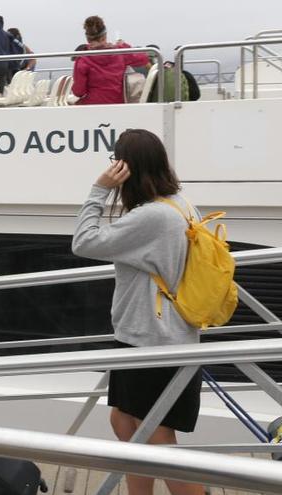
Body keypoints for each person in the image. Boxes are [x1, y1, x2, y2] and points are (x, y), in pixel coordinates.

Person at [71, 129, 204, 495]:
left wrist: (99, 190)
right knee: (125, 423)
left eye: (115, 161)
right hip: (156, 336)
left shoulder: (153, 217)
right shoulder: (180, 203)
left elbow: (83, 242)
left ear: (126, 167)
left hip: (153, 341)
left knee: (157, 436)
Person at [71, 16, 150, 105]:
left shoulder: (83, 59)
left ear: (87, 39)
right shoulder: (120, 52)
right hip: (117, 104)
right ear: (105, 35)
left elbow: (78, 92)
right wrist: (124, 46)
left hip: (92, 105)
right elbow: (143, 59)